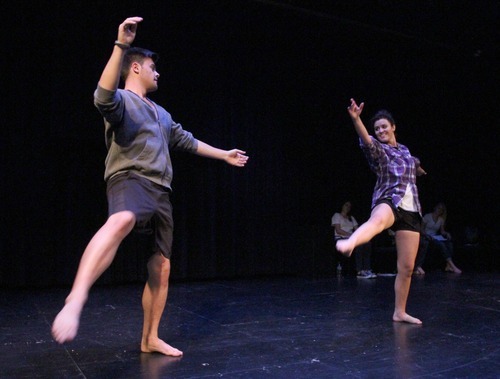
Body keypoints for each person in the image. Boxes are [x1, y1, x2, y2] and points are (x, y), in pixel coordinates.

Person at [51, 17, 249, 356]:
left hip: (162, 191)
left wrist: (223, 155)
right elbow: (102, 96)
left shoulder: (162, 114)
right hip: (130, 178)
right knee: (123, 219)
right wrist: (121, 46)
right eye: (153, 68)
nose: (158, 73)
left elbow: (186, 141)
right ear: (137, 69)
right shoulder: (122, 102)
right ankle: (77, 296)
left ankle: (150, 338)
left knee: (162, 265)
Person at [336, 99, 427, 325]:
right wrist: (356, 119)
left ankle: (399, 312)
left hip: (411, 210)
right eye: (377, 128)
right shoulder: (379, 151)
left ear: (393, 127)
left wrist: (419, 169)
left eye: (384, 126)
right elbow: (367, 142)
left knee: (406, 268)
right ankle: (350, 243)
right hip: (389, 199)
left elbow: (413, 163)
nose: (380, 131)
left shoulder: (405, 150)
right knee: (376, 222)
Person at [331, 201, 376, 278]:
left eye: (349, 206)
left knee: (367, 243)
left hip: (351, 238)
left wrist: (362, 237)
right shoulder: (337, 215)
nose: (348, 207)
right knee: (359, 246)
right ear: (342, 206)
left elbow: (357, 229)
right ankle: (359, 271)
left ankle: (366, 269)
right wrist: (352, 236)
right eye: (346, 205)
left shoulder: (351, 218)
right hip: (341, 238)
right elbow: (338, 230)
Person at [414, 203, 462, 274]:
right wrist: (427, 235)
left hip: (435, 237)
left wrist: (446, 233)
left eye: (441, 210)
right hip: (426, 236)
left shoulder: (441, 219)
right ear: (435, 208)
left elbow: (442, 231)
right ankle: (452, 265)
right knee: (441, 244)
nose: (439, 210)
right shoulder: (427, 216)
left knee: (449, 244)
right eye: (439, 208)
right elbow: (421, 229)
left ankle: (448, 265)